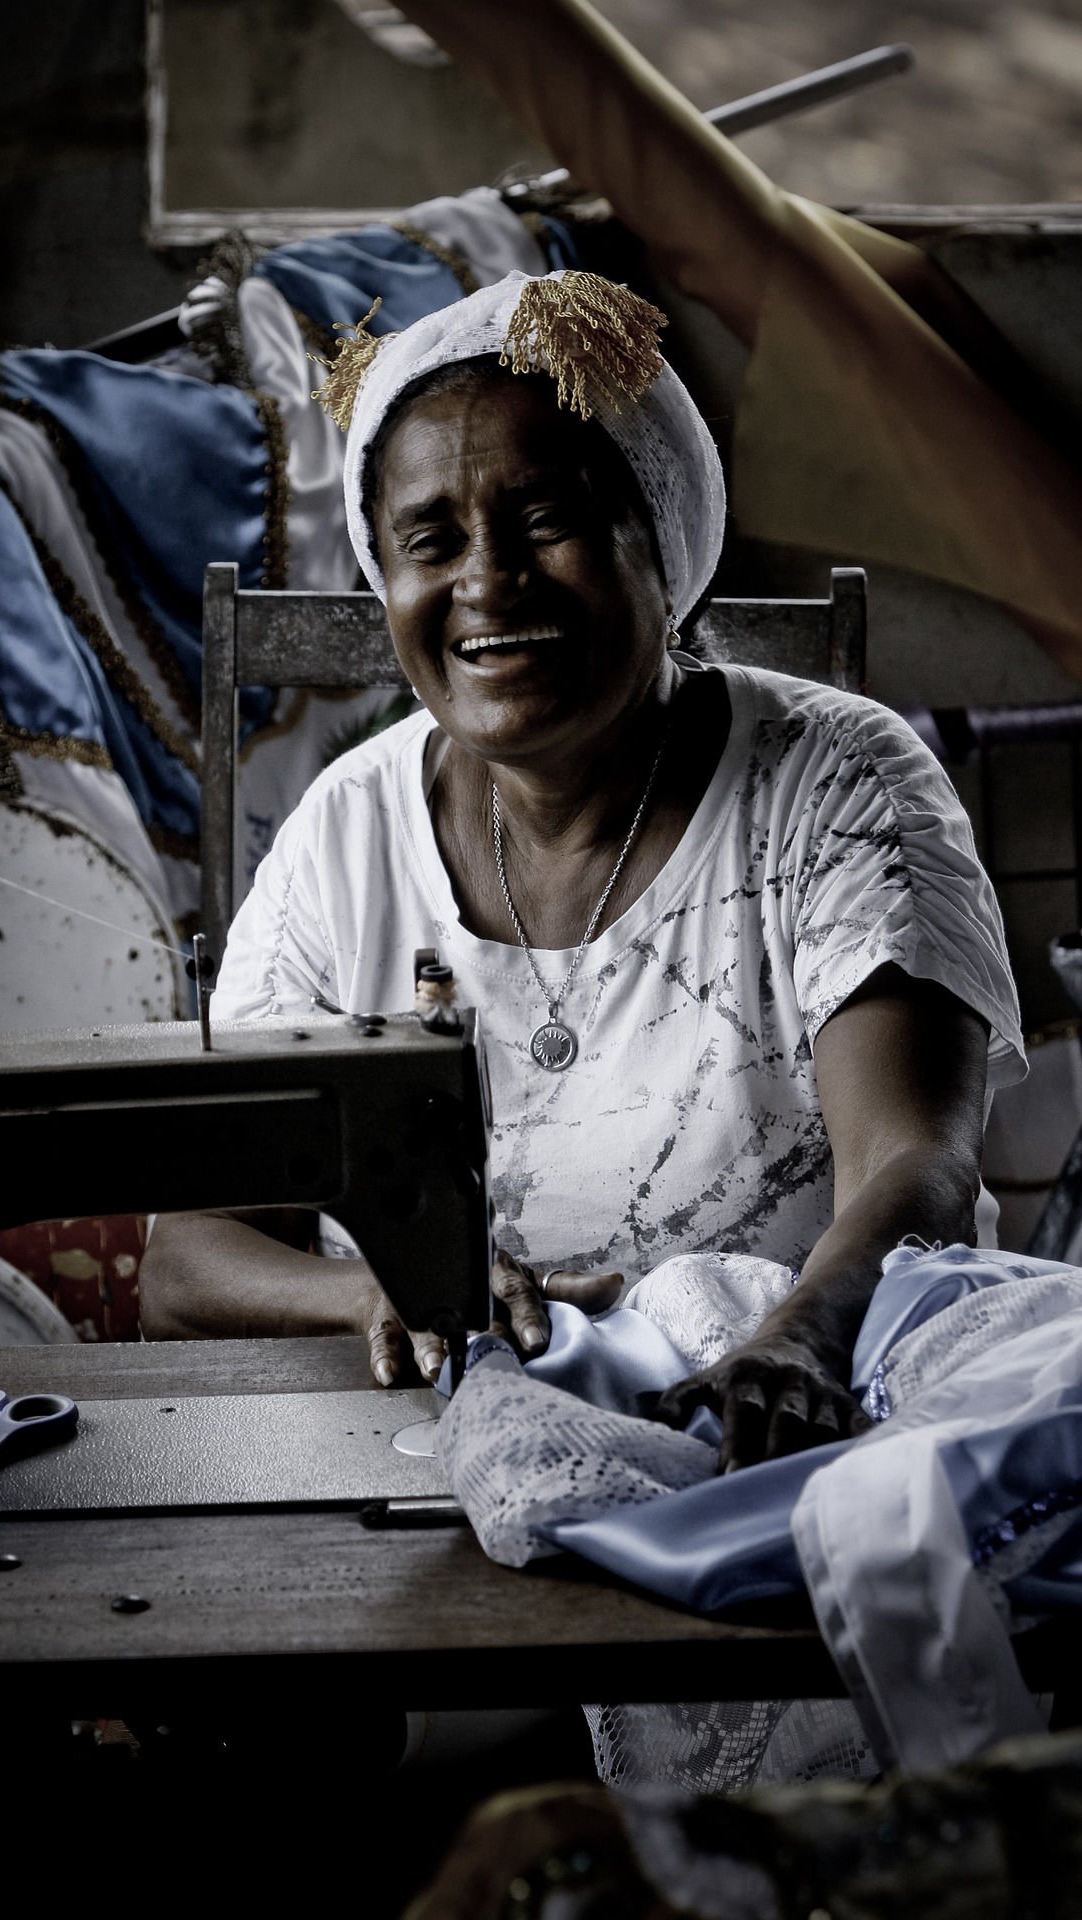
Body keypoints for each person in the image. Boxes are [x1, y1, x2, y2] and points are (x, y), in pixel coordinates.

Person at [140, 266, 1024, 1472]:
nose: (485, 581)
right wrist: (379, 1295)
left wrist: (796, 1341)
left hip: (799, 1428)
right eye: (429, 542)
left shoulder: (837, 781)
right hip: (432, 1457)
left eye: (546, 520)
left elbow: (914, 1156)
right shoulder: (341, 836)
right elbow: (188, 1255)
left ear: (659, 537)